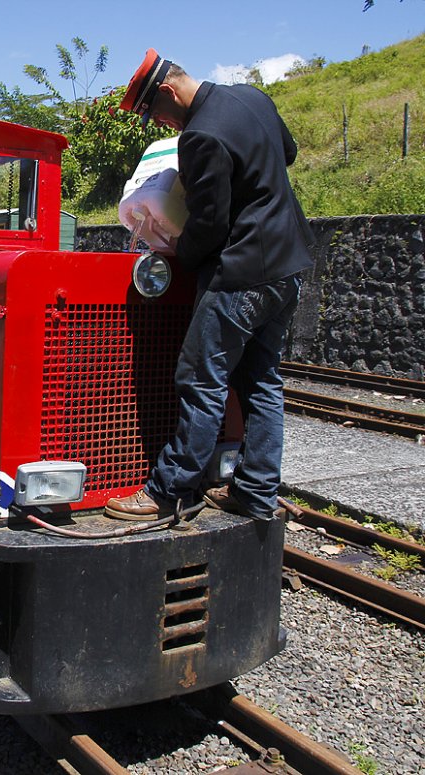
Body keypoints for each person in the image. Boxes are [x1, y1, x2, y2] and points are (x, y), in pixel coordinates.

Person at [105, 49, 314, 522]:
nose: (161, 123)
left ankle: (168, 490)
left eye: (155, 112)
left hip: (241, 274)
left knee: (200, 378)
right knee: (261, 381)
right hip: (289, 266)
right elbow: (289, 153)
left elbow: (211, 223)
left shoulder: (200, 136)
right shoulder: (252, 98)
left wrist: (179, 254)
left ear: (167, 91)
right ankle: (255, 491)